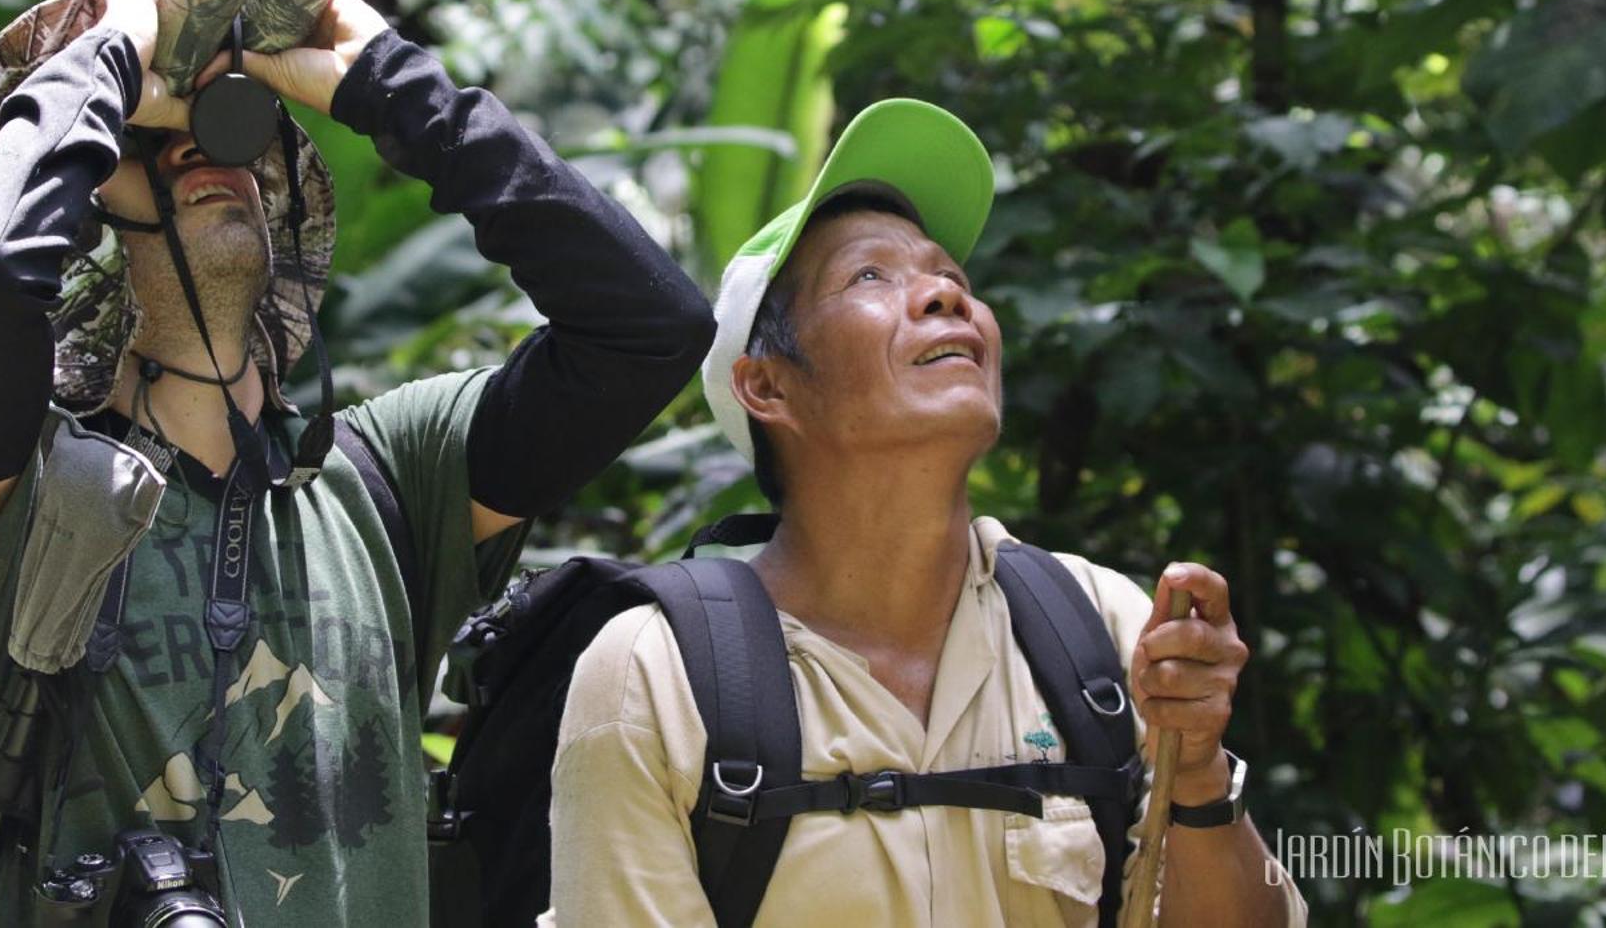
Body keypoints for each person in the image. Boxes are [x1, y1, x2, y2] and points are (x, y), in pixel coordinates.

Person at [0, 0, 715, 924]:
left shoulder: (386, 477)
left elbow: (647, 330)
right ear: (78, 211)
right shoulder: (15, 486)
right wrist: (116, 52)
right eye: (148, 142)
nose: (201, 151)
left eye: (225, 131)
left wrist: (385, 77)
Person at [546, 99, 1307, 926]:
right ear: (769, 385)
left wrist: (1194, 769)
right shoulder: (654, 678)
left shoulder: (1101, 627)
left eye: (954, 277)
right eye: (870, 276)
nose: (945, 295)